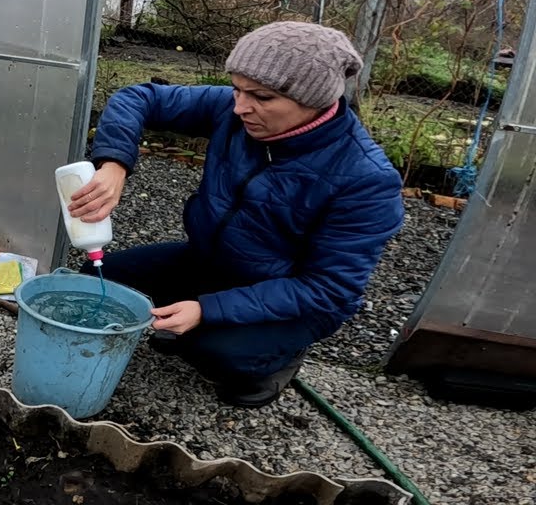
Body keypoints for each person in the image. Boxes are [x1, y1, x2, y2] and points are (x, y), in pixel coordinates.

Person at [68, 20, 405, 408]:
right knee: (95, 280)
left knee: (214, 350)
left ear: (313, 100)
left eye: (260, 97)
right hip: (214, 261)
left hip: (292, 296)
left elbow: (327, 288)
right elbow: (136, 98)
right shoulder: (233, 110)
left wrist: (207, 310)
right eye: (237, 89)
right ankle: (197, 317)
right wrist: (114, 164)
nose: (240, 106)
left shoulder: (365, 180)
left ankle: (276, 361)